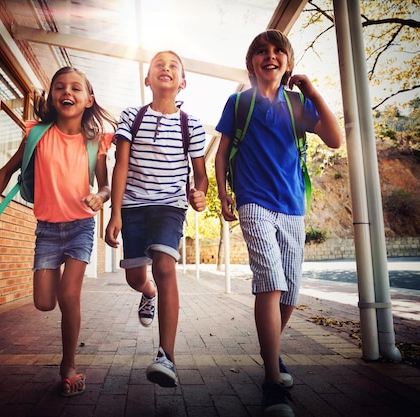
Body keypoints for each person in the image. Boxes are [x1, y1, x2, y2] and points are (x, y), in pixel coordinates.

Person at [214, 30, 342, 416]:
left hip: (292, 205)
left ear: (287, 61)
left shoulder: (297, 103)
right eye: (262, 51)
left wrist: (313, 91)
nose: (270, 56)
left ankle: (272, 352)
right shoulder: (239, 103)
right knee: (270, 282)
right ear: (252, 62)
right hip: (254, 201)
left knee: (290, 292)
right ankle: (273, 382)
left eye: (278, 51)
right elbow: (221, 155)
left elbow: (335, 140)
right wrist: (224, 194)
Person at [0, 66, 117, 397]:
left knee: (69, 295)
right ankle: (63, 337)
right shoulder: (36, 135)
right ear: (52, 96)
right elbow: (5, 171)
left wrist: (100, 197)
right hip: (47, 231)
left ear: (88, 99)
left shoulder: (95, 142)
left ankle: (68, 366)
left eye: (76, 88)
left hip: (81, 226)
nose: (67, 92)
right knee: (43, 302)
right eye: (60, 87)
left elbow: (107, 186)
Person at [104, 50, 208, 388]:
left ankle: (167, 356)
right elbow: (120, 165)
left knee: (165, 266)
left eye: (174, 65)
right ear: (147, 79)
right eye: (158, 65)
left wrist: (200, 193)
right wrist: (115, 212)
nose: (166, 68)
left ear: (183, 82)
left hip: (169, 206)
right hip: (133, 206)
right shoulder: (131, 115)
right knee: (137, 276)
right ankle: (147, 292)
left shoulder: (190, 124)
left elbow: (200, 175)